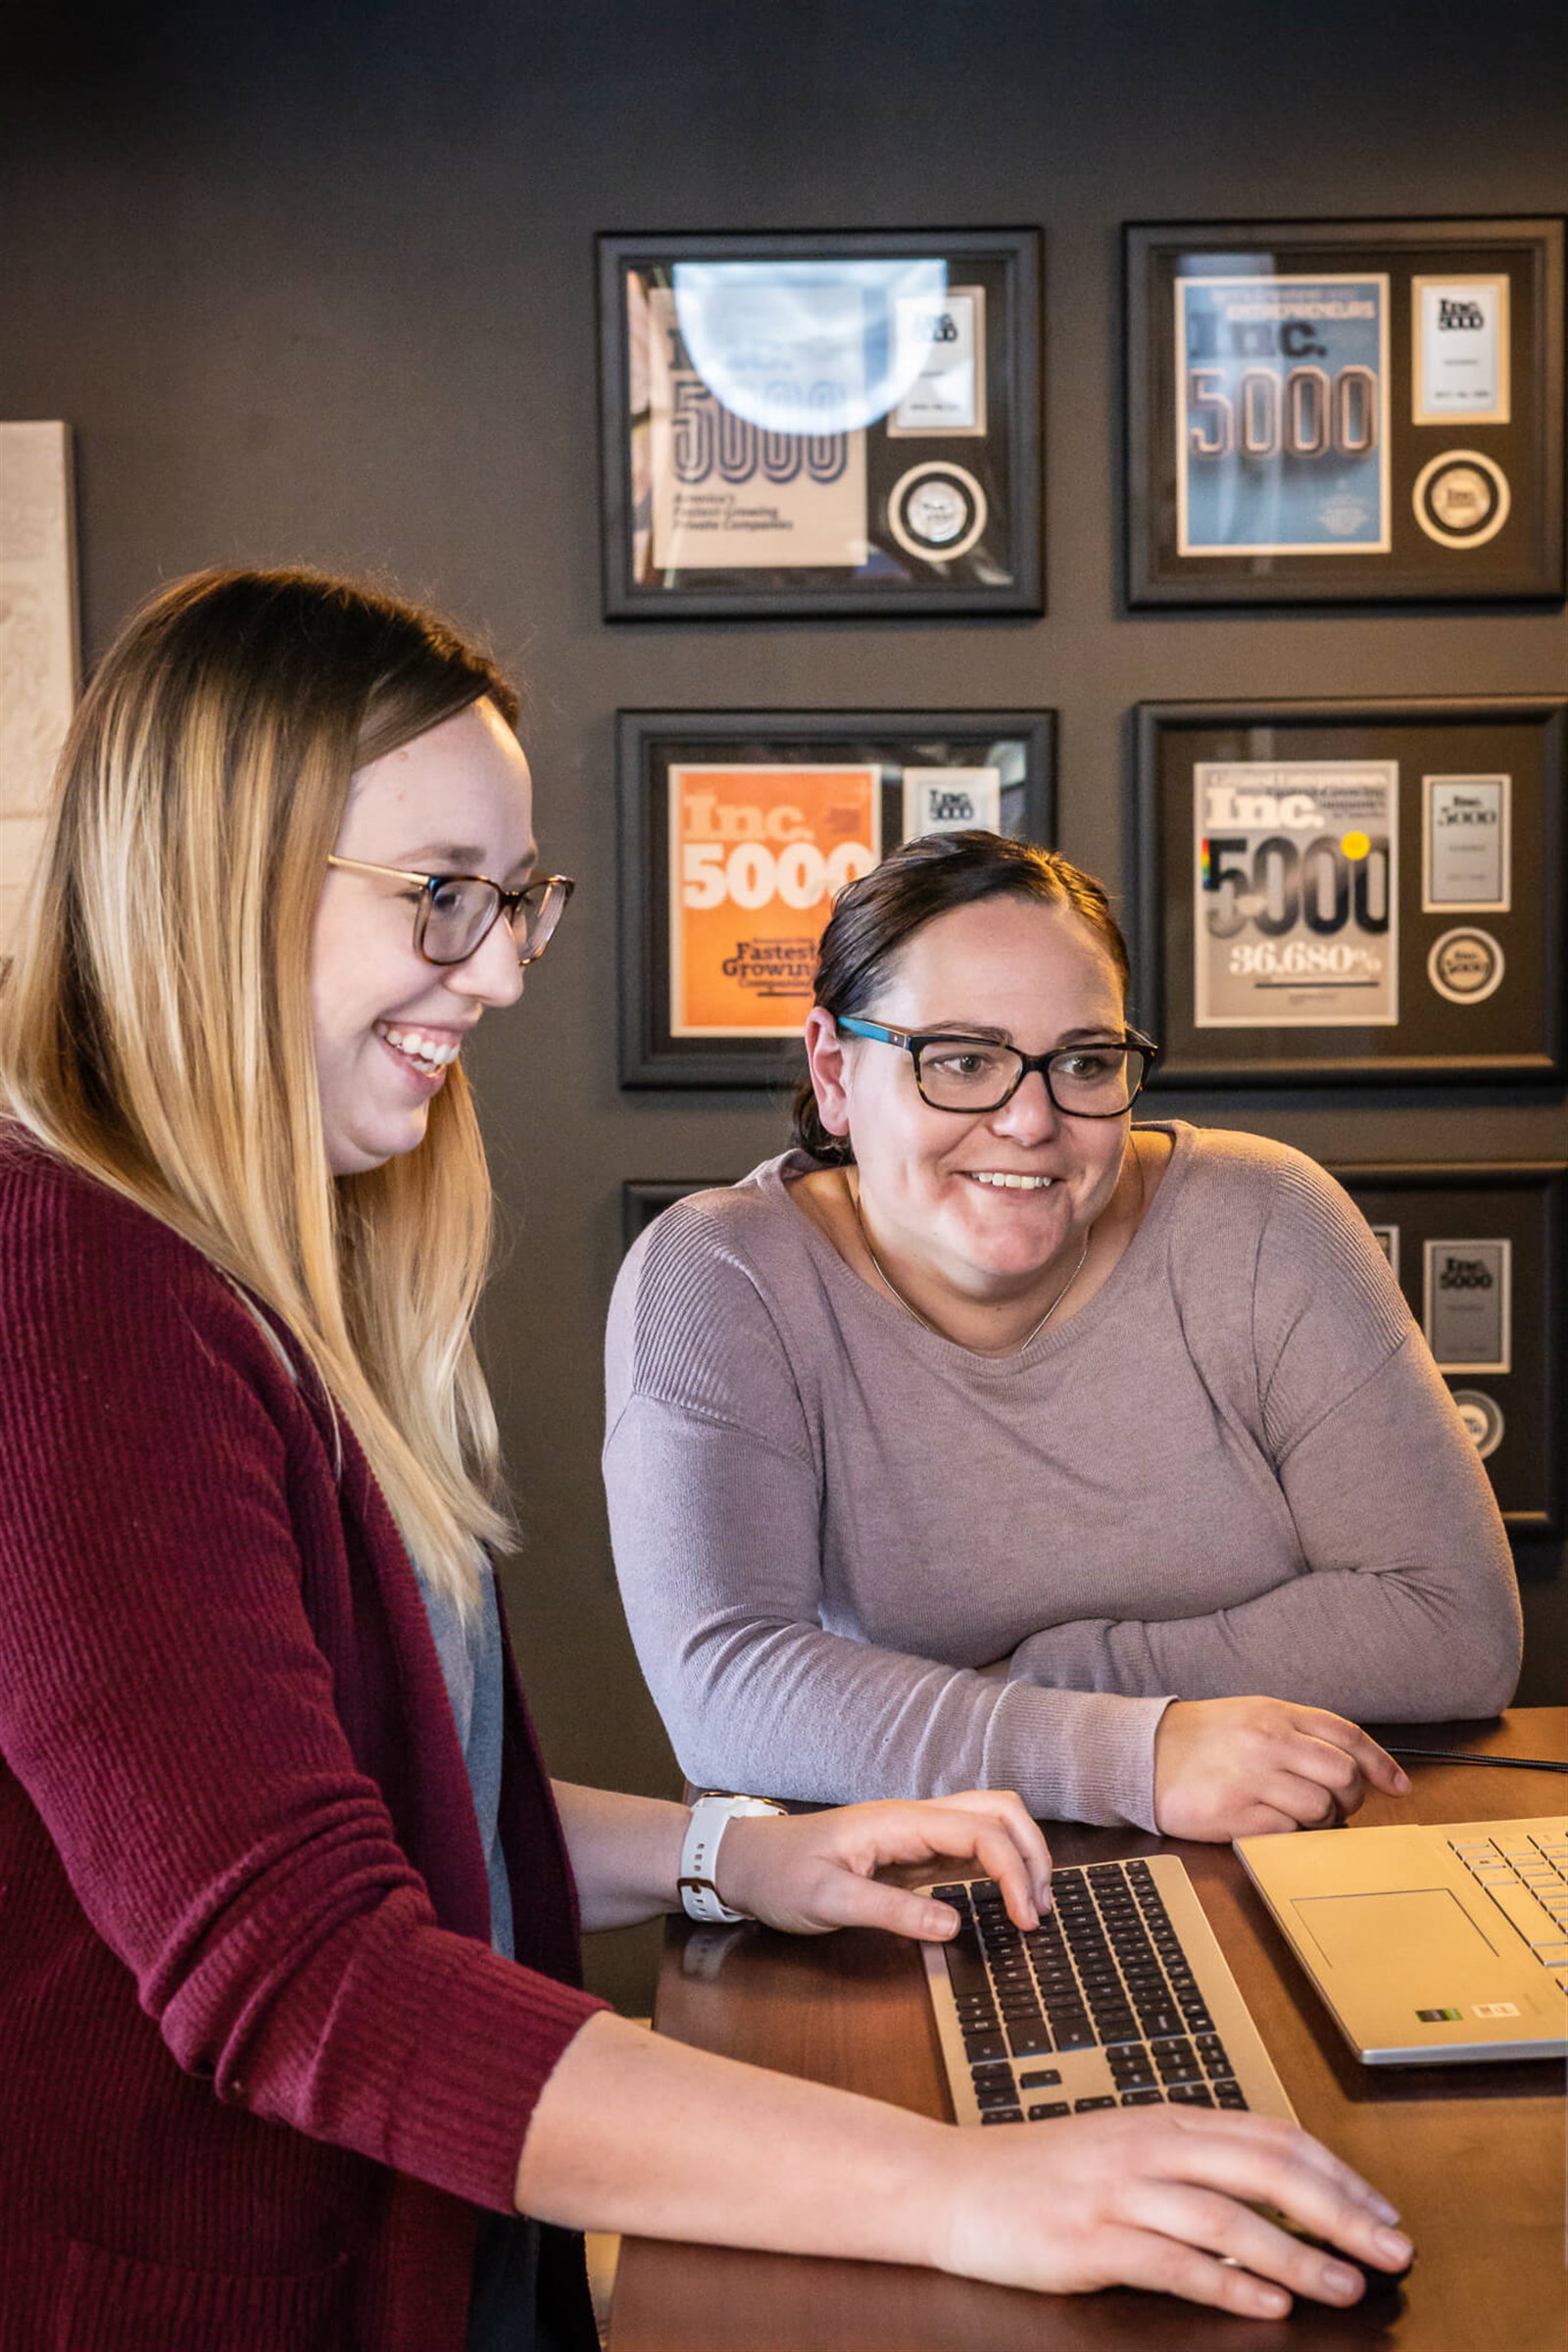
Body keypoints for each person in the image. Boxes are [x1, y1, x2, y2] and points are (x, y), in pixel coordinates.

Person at [0, 571, 1414, 2349]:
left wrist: (728, 1858)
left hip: (442, 2247)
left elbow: (385, 1799)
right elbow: (301, 1969)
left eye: (517, 902)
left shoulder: (272, 1266)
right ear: (215, 883)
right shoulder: (69, 1284)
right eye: (444, 898)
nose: (504, 969)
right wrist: (968, 2192)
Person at [606, 831, 1521, 1841]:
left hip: (1281, 1842)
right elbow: (729, 1692)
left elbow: (1452, 1625)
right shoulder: (721, 1272)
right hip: (906, 1880)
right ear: (833, 1070)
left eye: (1083, 1062)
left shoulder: (1265, 1219)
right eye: (960, 1061)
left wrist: (1061, 1674)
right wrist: (1135, 1753)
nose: (1031, 1120)